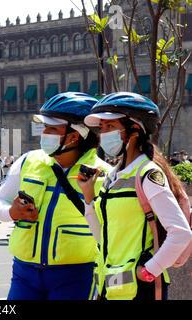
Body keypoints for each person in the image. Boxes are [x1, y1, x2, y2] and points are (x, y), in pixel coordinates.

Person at [0, 92, 111, 300]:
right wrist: (11, 212)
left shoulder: (105, 175)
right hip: (24, 273)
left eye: (52, 128)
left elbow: (112, 233)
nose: (43, 133)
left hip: (76, 275)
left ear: (74, 136)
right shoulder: (29, 160)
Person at [77, 92, 192, 300]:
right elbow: (103, 237)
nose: (103, 133)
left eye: (110, 127)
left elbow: (181, 232)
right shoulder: (114, 175)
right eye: (101, 128)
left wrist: (149, 270)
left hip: (140, 290)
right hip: (109, 287)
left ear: (135, 130)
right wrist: (88, 199)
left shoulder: (148, 174)